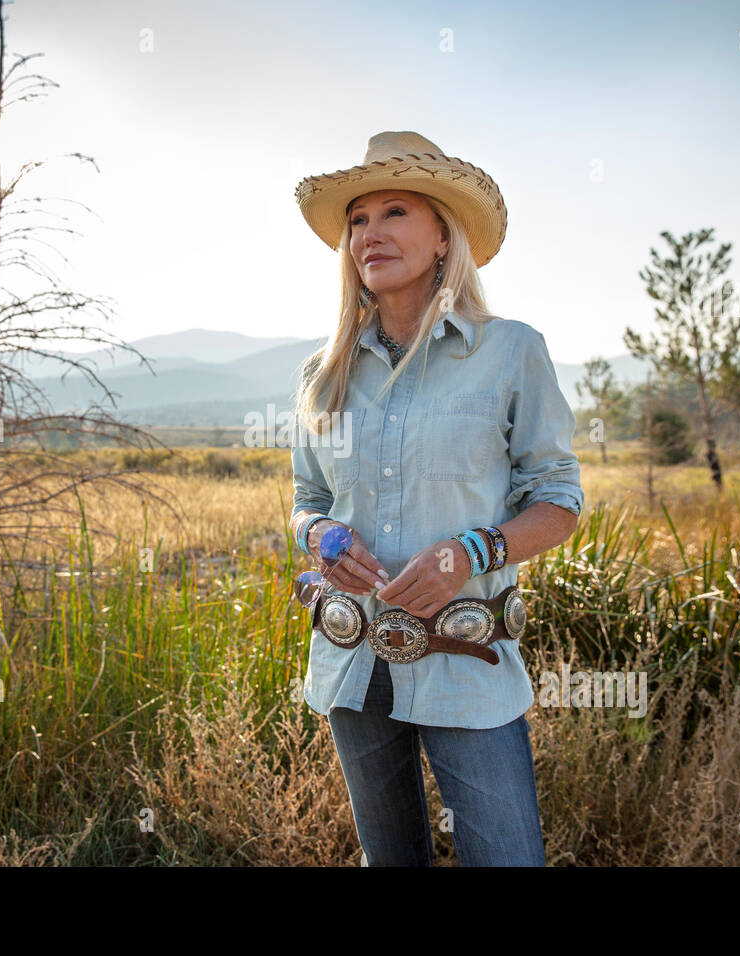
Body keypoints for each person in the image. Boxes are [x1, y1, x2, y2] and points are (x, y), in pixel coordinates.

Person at [289, 131, 584, 866]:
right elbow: (307, 497)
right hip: (353, 659)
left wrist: (471, 552)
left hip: (466, 659)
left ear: (444, 238)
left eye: (394, 213)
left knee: (506, 858)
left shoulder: (512, 351)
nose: (369, 234)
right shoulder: (322, 372)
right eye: (357, 220)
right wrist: (321, 539)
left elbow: (560, 500)